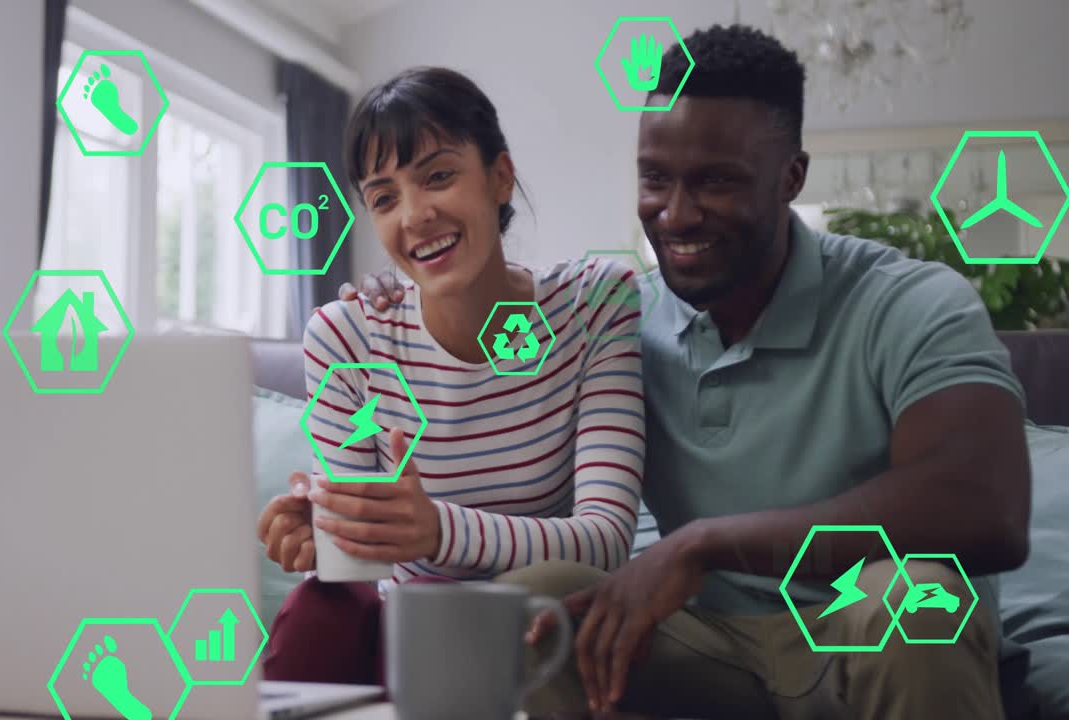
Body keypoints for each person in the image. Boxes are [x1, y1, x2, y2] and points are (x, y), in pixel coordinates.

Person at [348, 25, 1032, 720]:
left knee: (908, 597)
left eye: (716, 181)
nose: (675, 213)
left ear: (791, 177)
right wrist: (401, 297)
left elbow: (987, 509)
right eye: (655, 178)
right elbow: (493, 325)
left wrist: (706, 544)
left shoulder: (909, 301)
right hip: (705, 642)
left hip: (858, 632)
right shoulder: (617, 318)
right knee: (536, 598)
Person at [257, 66, 650, 691]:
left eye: (438, 176)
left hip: (539, 621)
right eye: (384, 198)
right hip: (408, 633)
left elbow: (604, 541)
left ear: (500, 176)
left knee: (539, 608)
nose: (414, 216)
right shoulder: (346, 337)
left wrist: (436, 529)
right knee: (317, 608)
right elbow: (360, 564)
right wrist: (329, 532)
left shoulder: (594, 304)